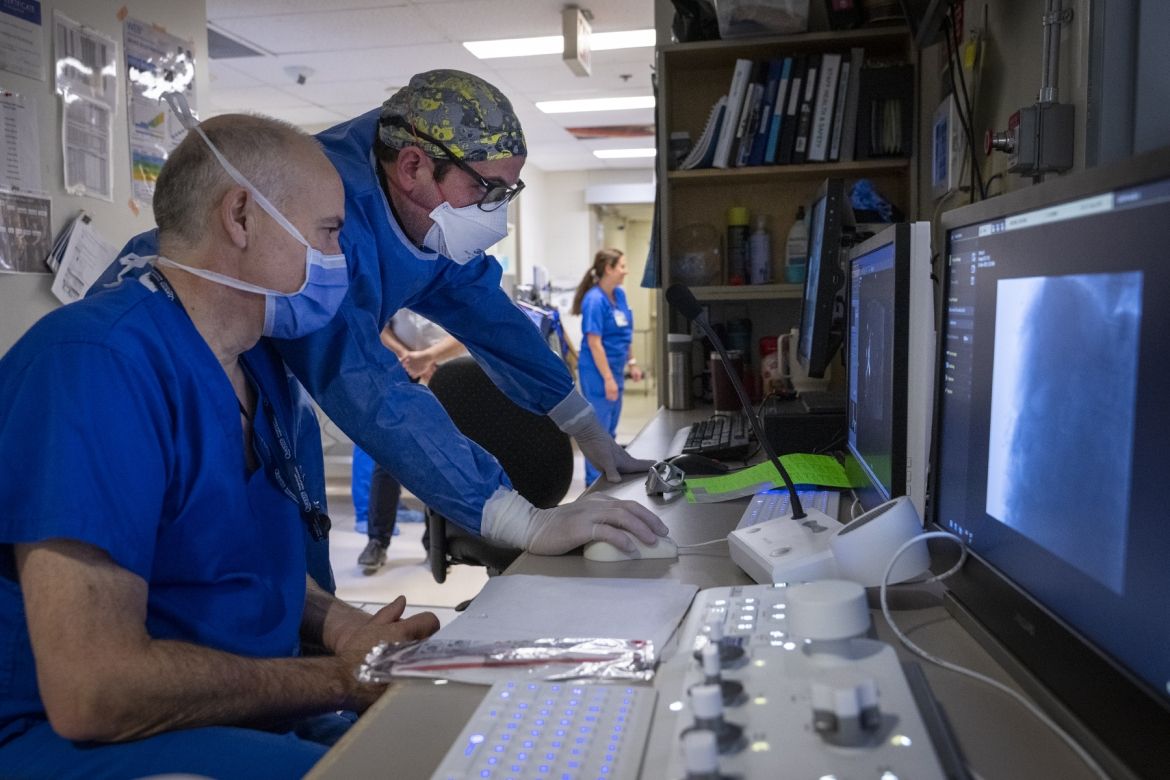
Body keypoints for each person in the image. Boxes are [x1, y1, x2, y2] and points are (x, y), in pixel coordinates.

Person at [0, 112, 439, 778]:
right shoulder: (94, 365)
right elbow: (94, 693)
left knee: (444, 746)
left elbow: (228, 565)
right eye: (327, 233)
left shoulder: (257, 366)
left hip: (233, 702)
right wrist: (338, 679)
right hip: (76, 735)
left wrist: (342, 627)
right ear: (240, 216)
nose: (339, 261)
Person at [105, 69, 668, 569]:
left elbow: (490, 317)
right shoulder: (326, 211)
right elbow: (368, 385)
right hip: (196, 390)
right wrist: (518, 520)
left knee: (280, 539)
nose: (495, 210)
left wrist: (585, 427)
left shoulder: (418, 223)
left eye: (507, 191)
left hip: (264, 409)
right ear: (413, 166)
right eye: (485, 189)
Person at [356, 310, 466, 574]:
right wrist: (408, 357)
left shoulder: (450, 272)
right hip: (401, 369)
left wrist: (429, 358)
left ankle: (436, 544)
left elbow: (465, 331)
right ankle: (377, 540)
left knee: (440, 462)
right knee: (388, 458)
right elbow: (380, 325)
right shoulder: (394, 274)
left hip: (446, 371)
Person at [571, 249, 645, 486]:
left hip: (614, 368)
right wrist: (608, 379)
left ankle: (609, 473)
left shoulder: (619, 296)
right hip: (597, 372)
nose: (626, 271)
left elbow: (625, 333)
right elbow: (594, 343)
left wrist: (631, 363)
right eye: (622, 266)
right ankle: (594, 487)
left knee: (610, 427)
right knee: (598, 431)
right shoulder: (594, 300)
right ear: (609, 269)